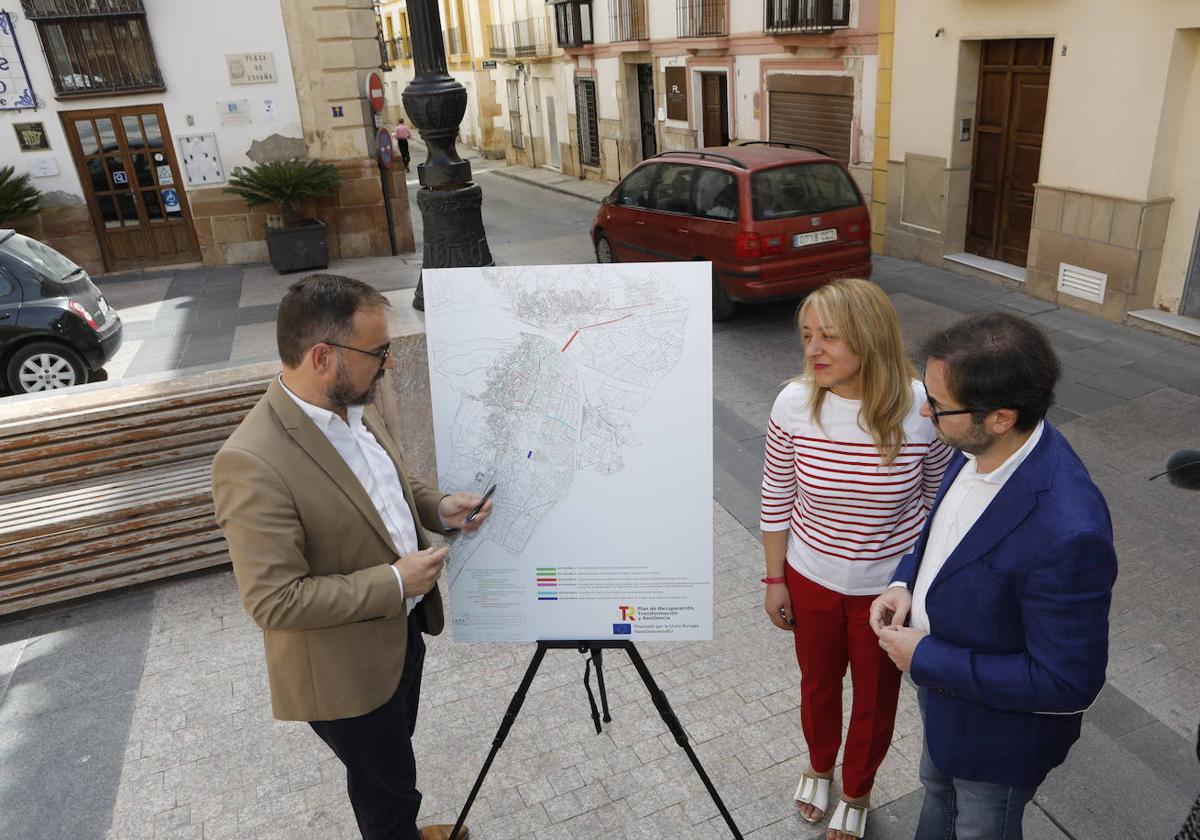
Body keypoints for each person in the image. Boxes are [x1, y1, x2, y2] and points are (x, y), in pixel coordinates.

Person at [211, 274, 492, 840]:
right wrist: (394, 581)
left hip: (398, 636)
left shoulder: (354, 403)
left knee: (389, 765)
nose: (388, 365)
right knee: (389, 784)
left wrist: (439, 507)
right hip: (343, 672)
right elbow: (273, 601)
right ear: (323, 357)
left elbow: (388, 481)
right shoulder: (251, 461)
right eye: (379, 353)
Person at [871, 312, 1118, 840]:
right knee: (937, 791)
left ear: (1001, 417)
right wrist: (904, 583)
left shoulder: (1070, 531)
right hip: (945, 697)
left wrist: (925, 656)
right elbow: (942, 534)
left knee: (980, 825)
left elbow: (1067, 682)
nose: (923, 410)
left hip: (1000, 738)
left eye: (936, 405)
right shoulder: (973, 447)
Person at [760, 278, 951, 840]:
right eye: (807, 335)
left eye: (830, 337)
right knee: (818, 682)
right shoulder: (793, 404)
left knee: (875, 697)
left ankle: (858, 789)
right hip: (810, 576)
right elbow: (777, 495)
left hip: (885, 590)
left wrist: (914, 587)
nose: (812, 350)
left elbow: (938, 506)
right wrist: (775, 579)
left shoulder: (921, 411)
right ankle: (819, 766)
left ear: (870, 340)